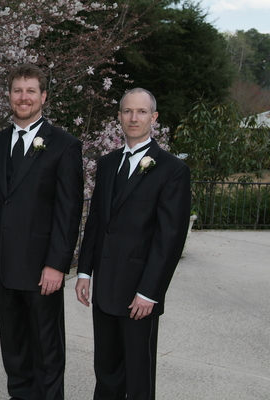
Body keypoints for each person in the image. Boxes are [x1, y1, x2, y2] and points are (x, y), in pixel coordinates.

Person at [0, 64, 84, 399]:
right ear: (9, 96)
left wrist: (57, 264)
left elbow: (68, 212)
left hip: (41, 269)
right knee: (14, 349)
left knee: (47, 350)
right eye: (18, 90)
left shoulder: (64, 145)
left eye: (31, 91)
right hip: (3, 266)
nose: (24, 97)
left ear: (43, 97)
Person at [75, 88, 191, 400]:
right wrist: (84, 272)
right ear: (119, 117)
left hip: (140, 292)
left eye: (141, 112)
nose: (134, 118)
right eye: (127, 111)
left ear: (154, 117)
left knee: (138, 376)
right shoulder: (107, 163)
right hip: (105, 288)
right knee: (106, 371)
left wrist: (149, 292)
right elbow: (96, 221)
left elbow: (169, 238)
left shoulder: (173, 170)